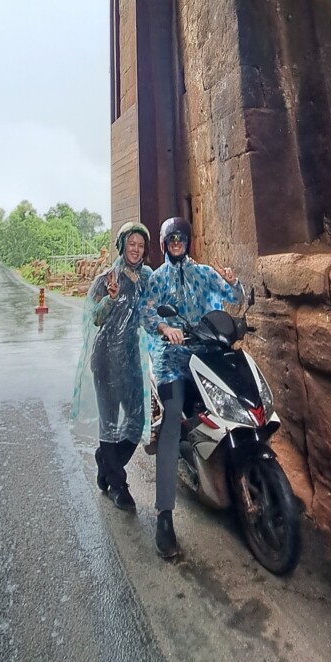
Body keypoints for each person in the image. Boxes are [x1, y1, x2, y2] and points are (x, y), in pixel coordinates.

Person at [141, 216, 243, 558]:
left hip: (206, 352)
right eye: (171, 240)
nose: (176, 244)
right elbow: (146, 313)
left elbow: (231, 296)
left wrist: (234, 282)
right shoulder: (156, 280)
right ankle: (164, 516)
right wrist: (162, 329)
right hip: (172, 359)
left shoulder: (203, 272)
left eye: (180, 239)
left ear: (188, 241)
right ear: (163, 244)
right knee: (172, 424)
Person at [70, 222, 151, 512]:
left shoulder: (147, 277)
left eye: (141, 245)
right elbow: (93, 317)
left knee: (136, 422)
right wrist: (110, 298)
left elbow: (156, 305)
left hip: (130, 359)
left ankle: (105, 461)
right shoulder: (106, 278)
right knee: (110, 422)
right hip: (105, 359)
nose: (136, 249)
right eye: (131, 244)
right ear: (121, 245)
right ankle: (119, 486)